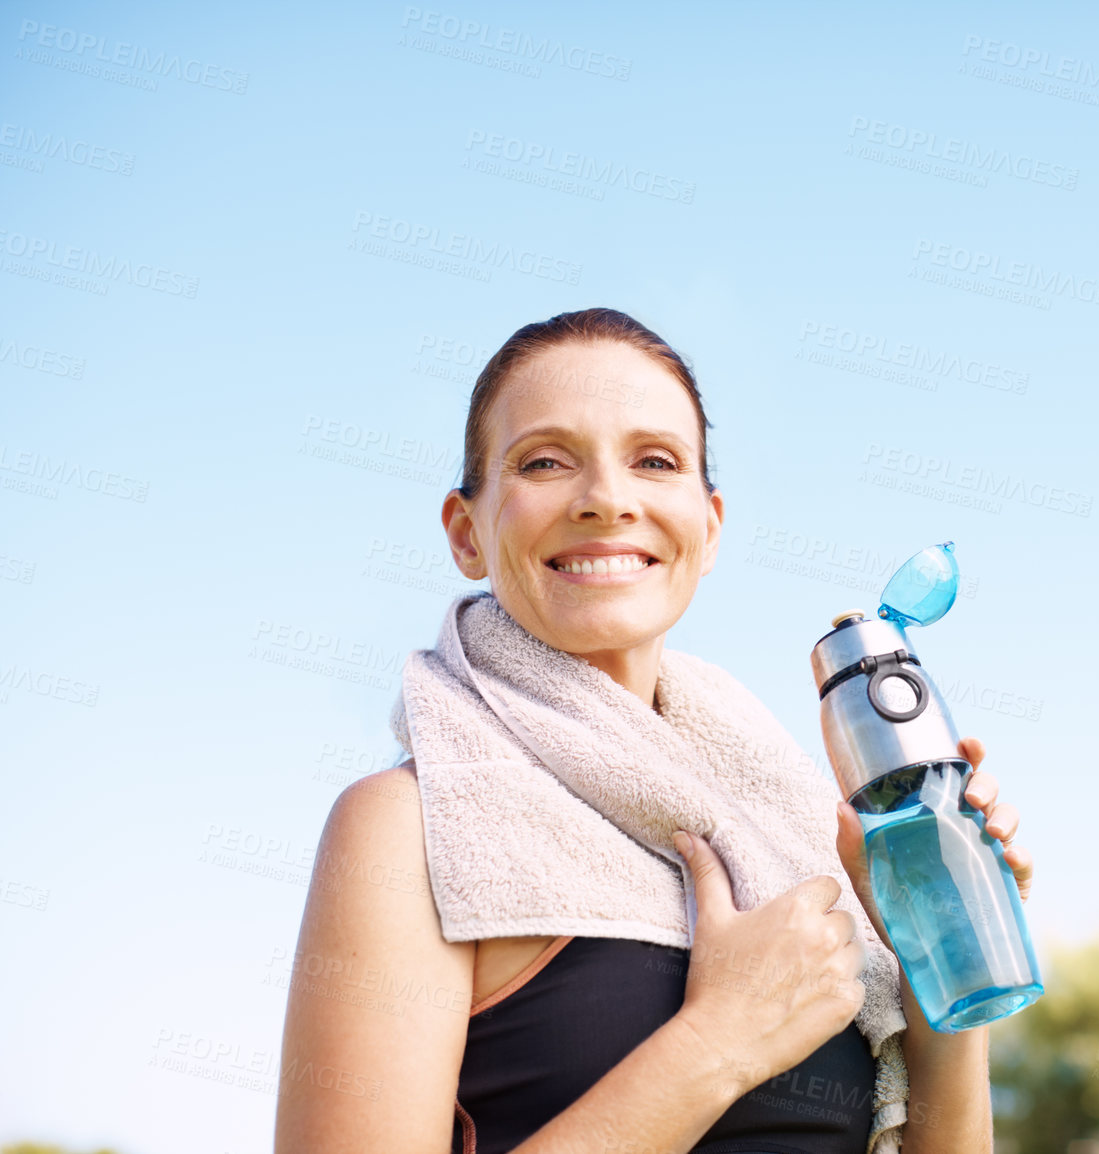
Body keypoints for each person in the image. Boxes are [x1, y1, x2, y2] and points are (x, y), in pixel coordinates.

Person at [273, 308, 1035, 1154]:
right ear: (466, 532)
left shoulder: (794, 841)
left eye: (655, 461)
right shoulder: (409, 827)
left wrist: (941, 955)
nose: (606, 500)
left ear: (707, 529)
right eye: (546, 461)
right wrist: (718, 1044)